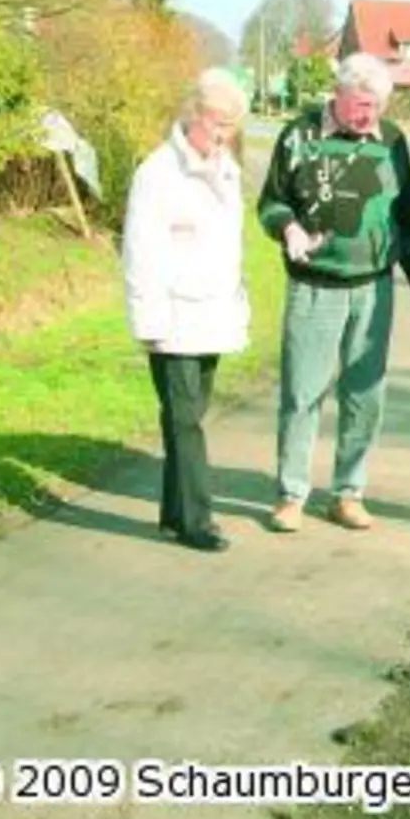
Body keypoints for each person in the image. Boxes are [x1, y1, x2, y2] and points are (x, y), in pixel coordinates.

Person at [256, 52, 410, 533]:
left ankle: (348, 493)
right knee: (302, 393)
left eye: (376, 106)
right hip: (314, 287)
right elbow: (271, 200)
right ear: (338, 93)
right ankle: (291, 494)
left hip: (373, 289)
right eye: (360, 104)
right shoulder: (299, 135)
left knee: (365, 395)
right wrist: (287, 226)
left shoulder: (392, 141)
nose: (368, 116)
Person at [120, 68, 251, 553]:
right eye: (218, 125)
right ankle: (198, 521)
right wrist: (148, 322)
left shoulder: (226, 171)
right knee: (186, 422)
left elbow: (228, 250)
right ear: (194, 114)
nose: (224, 137)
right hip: (171, 318)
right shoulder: (156, 173)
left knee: (188, 416)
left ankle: (174, 514)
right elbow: (139, 252)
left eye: (231, 128)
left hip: (212, 315)